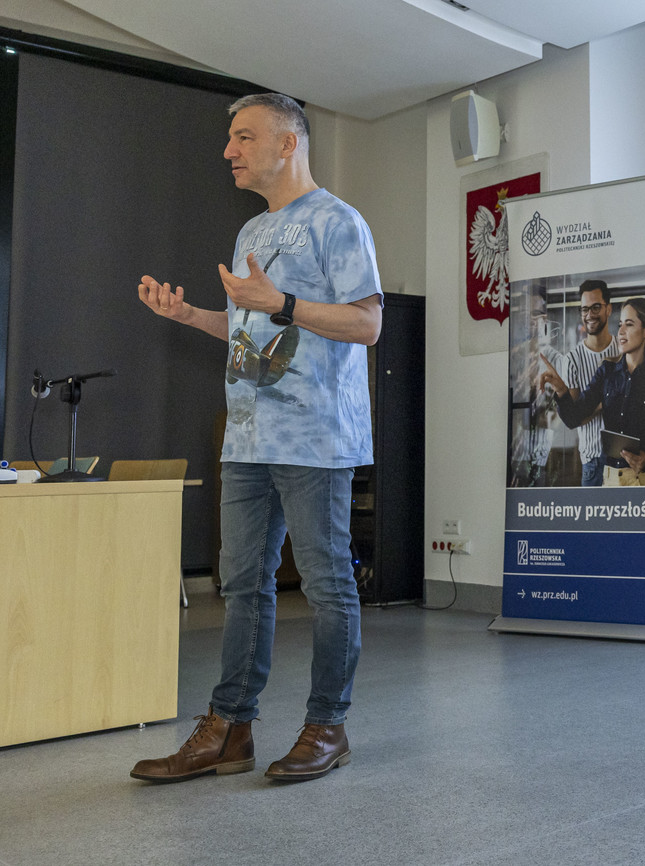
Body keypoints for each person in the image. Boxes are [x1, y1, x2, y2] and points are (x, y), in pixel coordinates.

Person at [130, 92, 382, 784]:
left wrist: (284, 302)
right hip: (246, 438)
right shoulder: (251, 233)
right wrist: (192, 316)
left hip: (315, 438)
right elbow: (251, 333)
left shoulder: (338, 222)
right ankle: (229, 728)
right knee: (242, 584)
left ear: (288, 143)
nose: (229, 151)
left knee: (327, 586)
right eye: (230, 139)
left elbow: (368, 324)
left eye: (243, 137)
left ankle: (327, 725)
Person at [540, 296, 645, 486]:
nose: (620, 331)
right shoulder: (606, 371)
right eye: (620, 324)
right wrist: (561, 389)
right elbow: (574, 418)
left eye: (629, 324)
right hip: (610, 479)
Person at [558, 280, 619, 485]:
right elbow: (576, 416)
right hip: (592, 461)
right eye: (585, 309)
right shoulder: (572, 360)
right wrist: (604, 404)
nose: (589, 314)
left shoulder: (623, 349)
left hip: (623, 459)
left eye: (596, 307)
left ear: (608, 309)